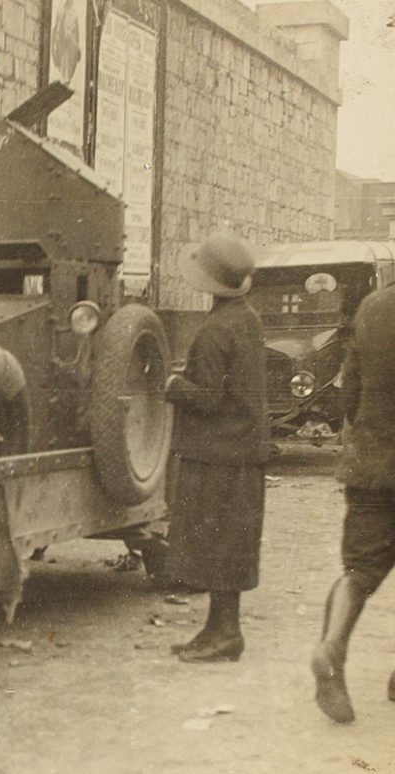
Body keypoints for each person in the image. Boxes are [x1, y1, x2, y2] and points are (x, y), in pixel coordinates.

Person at [163, 233, 269, 663]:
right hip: (243, 450)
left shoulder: (214, 330)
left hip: (218, 454)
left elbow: (207, 397)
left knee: (216, 544)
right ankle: (220, 629)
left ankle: (224, 633)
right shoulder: (247, 319)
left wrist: (172, 385)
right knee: (231, 544)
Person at [311, 279, 395, 723]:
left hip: (371, 464)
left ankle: (333, 646)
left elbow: (350, 394)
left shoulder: (372, 307)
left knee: (359, 569)